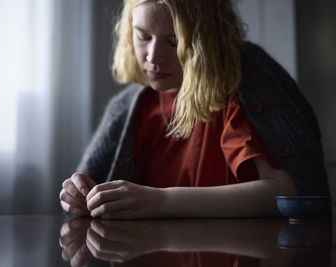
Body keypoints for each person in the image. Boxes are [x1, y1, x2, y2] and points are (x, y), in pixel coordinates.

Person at [59, 0, 329, 219]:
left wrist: (161, 200)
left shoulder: (238, 87)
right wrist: (79, 197)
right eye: (143, 37)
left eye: (173, 42)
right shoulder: (128, 107)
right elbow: (87, 194)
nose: (153, 57)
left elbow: (284, 192)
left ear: (206, 41)